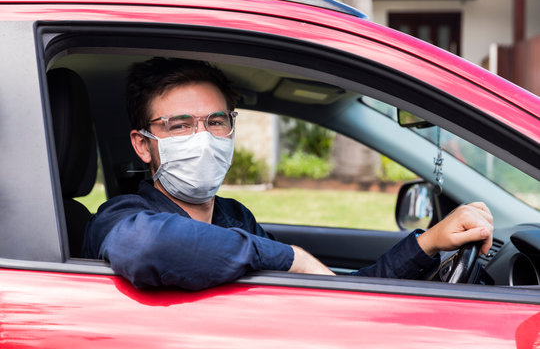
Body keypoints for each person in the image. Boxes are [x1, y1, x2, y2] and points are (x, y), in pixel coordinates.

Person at [82, 57, 494, 291]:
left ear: (231, 128)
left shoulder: (234, 218)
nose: (203, 138)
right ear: (143, 144)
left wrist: (430, 242)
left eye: (216, 122)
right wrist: (290, 257)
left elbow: (334, 291)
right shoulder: (122, 215)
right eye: (180, 125)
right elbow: (148, 248)